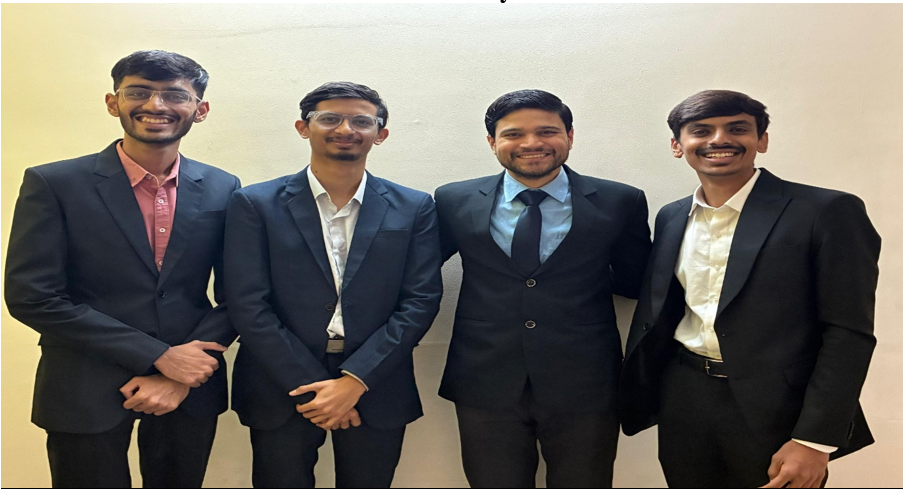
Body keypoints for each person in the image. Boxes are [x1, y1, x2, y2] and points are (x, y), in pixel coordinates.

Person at [619, 89, 880, 488]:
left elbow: (848, 332)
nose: (719, 139)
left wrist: (815, 439)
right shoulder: (672, 216)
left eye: (737, 128)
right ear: (677, 145)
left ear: (762, 140)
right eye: (701, 130)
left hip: (779, 408)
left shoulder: (826, 211)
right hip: (685, 397)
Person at [5, 50, 240, 488]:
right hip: (83, 382)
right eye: (139, 92)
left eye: (175, 95)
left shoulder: (223, 187)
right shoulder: (54, 183)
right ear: (113, 102)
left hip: (187, 386)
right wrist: (158, 357)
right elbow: (32, 296)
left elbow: (239, 294)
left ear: (200, 109)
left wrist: (183, 372)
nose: (155, 105)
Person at [224, 81, 442, 488]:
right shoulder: (255, 203)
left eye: (361, 121)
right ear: (303, 127)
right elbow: (245, 301)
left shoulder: (415, 206)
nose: (346, 129)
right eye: (330, 118)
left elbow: (421, 299)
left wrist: (355, 380)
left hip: (377, 379)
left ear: (380, 133)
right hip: (280, 379)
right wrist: (314, 387)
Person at [434, 89, 652, 488]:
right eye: (514, 134)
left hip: (586, 382)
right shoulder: (452, 200)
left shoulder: (620, 201)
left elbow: (636, 282)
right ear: (492, 142)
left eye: (547, 131)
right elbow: (419, 272)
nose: (531, 143)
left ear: (570, 135)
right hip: (484, 379)